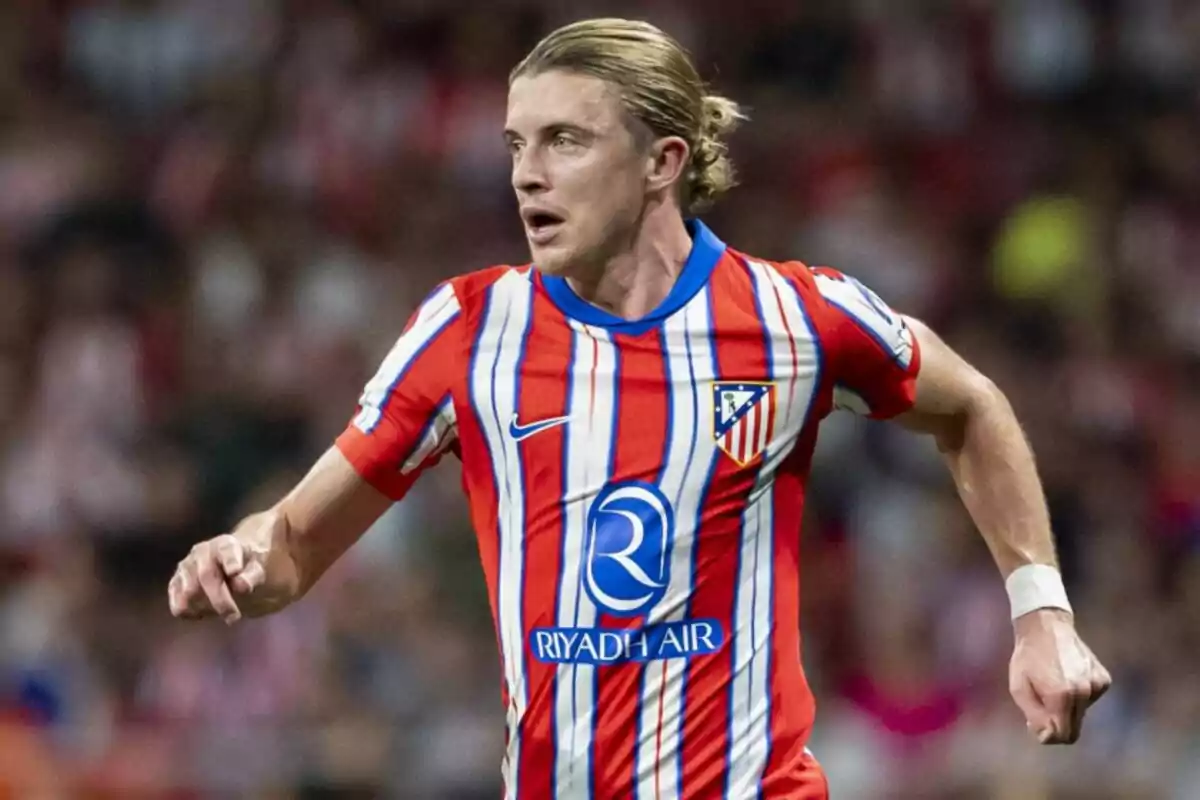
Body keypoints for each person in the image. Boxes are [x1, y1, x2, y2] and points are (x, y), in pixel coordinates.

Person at [168, 18, 1111, 799]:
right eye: (514, 145)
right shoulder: (468, 330)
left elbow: (970, 407)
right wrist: (241, 559)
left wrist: (1043, 614)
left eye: (563, 141)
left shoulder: (794, 316)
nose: (524, 174)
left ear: (662, 161)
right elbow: (292, 548)